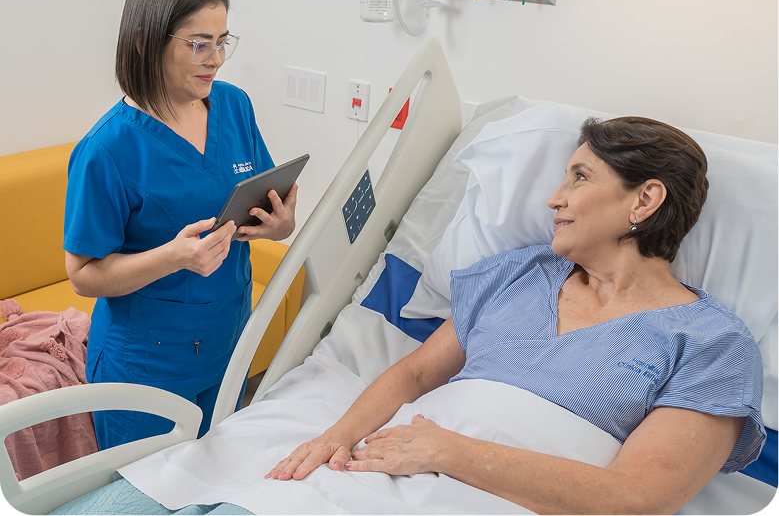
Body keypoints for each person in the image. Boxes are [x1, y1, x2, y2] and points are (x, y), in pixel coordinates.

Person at [268, 117, 765, 516]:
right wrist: (335, 438)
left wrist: (445, 451)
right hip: (383, 477)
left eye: (580, 177)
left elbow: (635, 499)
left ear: (645, 199)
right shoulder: (522, 272)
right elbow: (418, 373)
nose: (555, 197)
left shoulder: (712, 342)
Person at [63, 0, 297, 450]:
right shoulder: (107, 150)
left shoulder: (234, 105)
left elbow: (266, 201)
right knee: (142, 488)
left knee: (214, 478)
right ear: (145, 41)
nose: (216, 60)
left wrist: (280, 224)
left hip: (229, 342)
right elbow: (83, 275)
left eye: (223, 42)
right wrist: (173, 258)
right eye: (199, 44)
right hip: (146, 367)